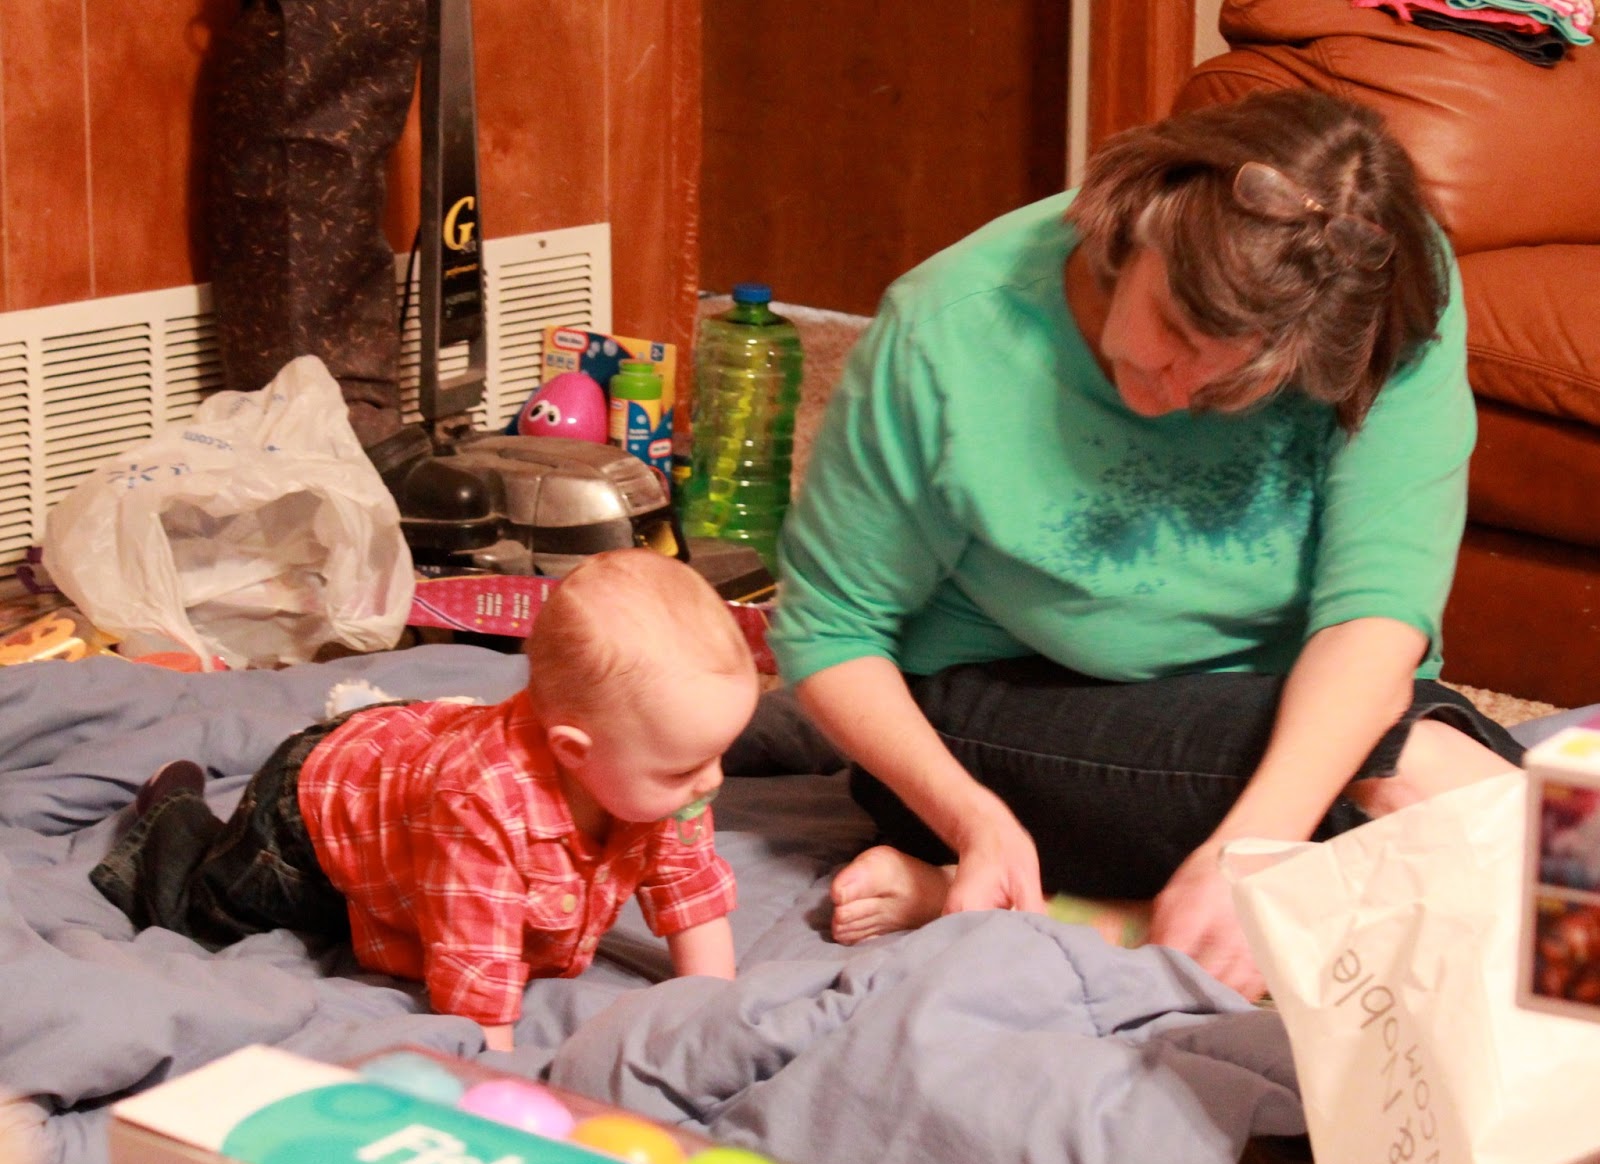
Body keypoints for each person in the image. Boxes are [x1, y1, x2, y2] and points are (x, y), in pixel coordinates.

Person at [766, 89, 1526, 1000]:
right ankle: (1044, 890)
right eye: (1174, 330)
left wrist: (1253, 844)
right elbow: (831, 631)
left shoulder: (1383, 292)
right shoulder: (951, 328)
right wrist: (971, 822)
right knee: (1433, 782)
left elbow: (1377, 616)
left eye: (1242, 379)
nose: (1180, 388)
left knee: (1450, 808)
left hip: (1265, 706)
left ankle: (1079, 919)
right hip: (993, 722)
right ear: (1135, 227)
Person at [89, 548, 759, 1051]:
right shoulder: (483, 803)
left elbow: (689, 890)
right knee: (204, 910)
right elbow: (477, 972)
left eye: (718, 756)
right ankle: (172, 810)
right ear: (574, 750)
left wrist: (711, 1013)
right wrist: (498, 1081)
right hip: (312, 813)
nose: (711, 782)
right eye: (686, 768)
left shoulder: (666, 777)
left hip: (409, 781)